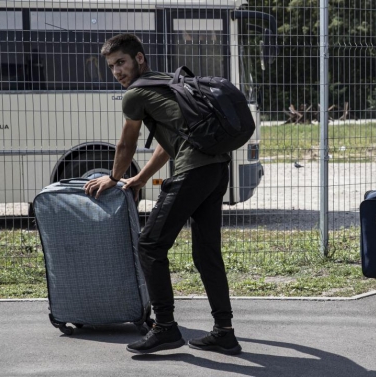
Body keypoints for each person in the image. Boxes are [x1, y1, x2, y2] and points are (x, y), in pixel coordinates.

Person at [83, 33, 241, 355]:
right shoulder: (166, 82)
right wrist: (140, 178)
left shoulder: (135, 95)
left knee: (150, 244)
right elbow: (167, 146)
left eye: (121, 63)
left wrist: (114, 177)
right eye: (112, 66)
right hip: (216, 168)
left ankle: (165, 327)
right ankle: (224, 331)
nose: (117, 72)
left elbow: (127, 143)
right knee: (206, 253)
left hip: (194, 171)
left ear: (139, 58)